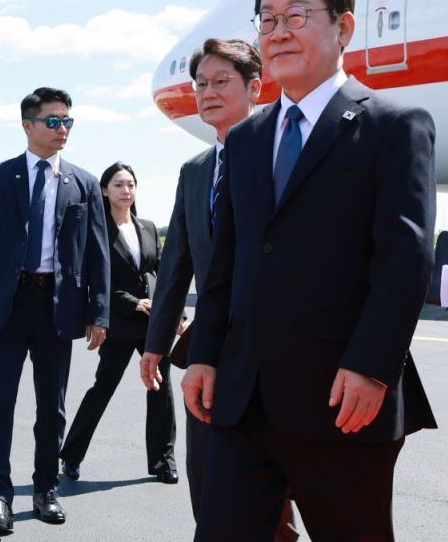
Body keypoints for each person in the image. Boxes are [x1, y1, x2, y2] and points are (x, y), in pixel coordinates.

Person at [182, 0, 438, 542]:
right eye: (267, 19)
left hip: (342, 400)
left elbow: (404, 259)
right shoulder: (245, 138)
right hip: (244, 399)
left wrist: (372, 366)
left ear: (343, 27)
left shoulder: (394, 125)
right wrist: (204, 353)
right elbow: (227, 263)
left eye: (296, 15)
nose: (277, 32)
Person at [138, 38, 306, 539]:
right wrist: (156, 342)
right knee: (208, 484)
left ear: (255, 88)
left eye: (221, 82)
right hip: (211, 354)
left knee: (277, 490)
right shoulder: (195, 171)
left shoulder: (285, 157)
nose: (208, 93)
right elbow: (176, 263)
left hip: (278, 353)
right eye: (201, 84)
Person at [0, 87, 111, 533]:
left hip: (58, 308)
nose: (62, 128)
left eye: (67, 121)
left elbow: (98, 252)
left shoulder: (83, 182)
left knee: (52, 406)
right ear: (28, 125)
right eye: (53, 121)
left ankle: (46, 489)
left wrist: (99, 312)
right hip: (6, 308)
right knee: (0, 404)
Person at [60, 162, 176, 482]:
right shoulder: (97, 231)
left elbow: (164, 275)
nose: (126, 191)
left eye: (131, 185)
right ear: (104, 190)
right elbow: (95, 280)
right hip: (120, 323)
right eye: (118, 185)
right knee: (104, 387)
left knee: (161, 388)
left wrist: (174, 315)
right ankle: (71, 455)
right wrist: (132, 302)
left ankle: (163, 461)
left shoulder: (148, 227)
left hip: (152, 324)